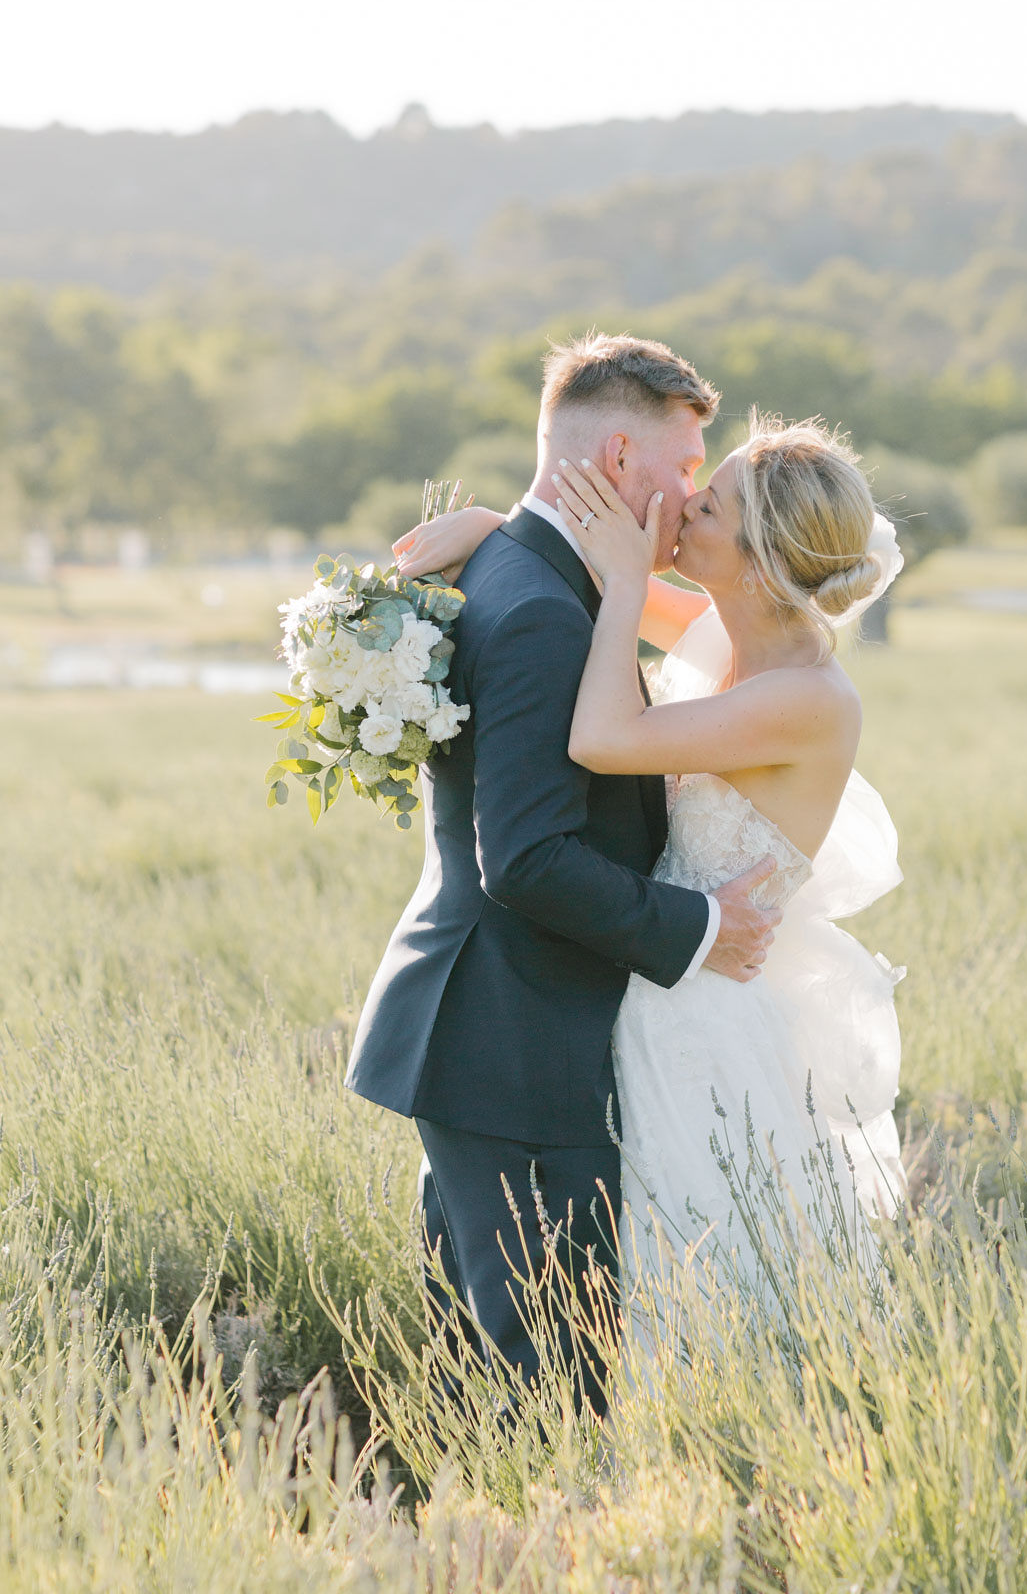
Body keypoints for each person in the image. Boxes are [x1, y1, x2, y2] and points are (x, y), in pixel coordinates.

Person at [343, 334, 779, 1421]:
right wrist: (695, 929)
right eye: (686, 471)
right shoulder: (541, 610)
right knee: (551, 1386)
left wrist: (495, 520)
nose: (690, 497)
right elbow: (528, 857)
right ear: (621, 456)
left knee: (490, 1376)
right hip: (518, 1046)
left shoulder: (524, 564)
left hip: (499, 1036)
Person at [396, 398, 908, 1317]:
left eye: (707, 507)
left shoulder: (806, 697)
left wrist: (628, 586)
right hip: (656, 970)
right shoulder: (732, 627)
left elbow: (600, 736)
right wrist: (491, 531)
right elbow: (580, 568)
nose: (679, 508)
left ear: (755, 561)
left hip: (710, 1008)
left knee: (700, 1271)